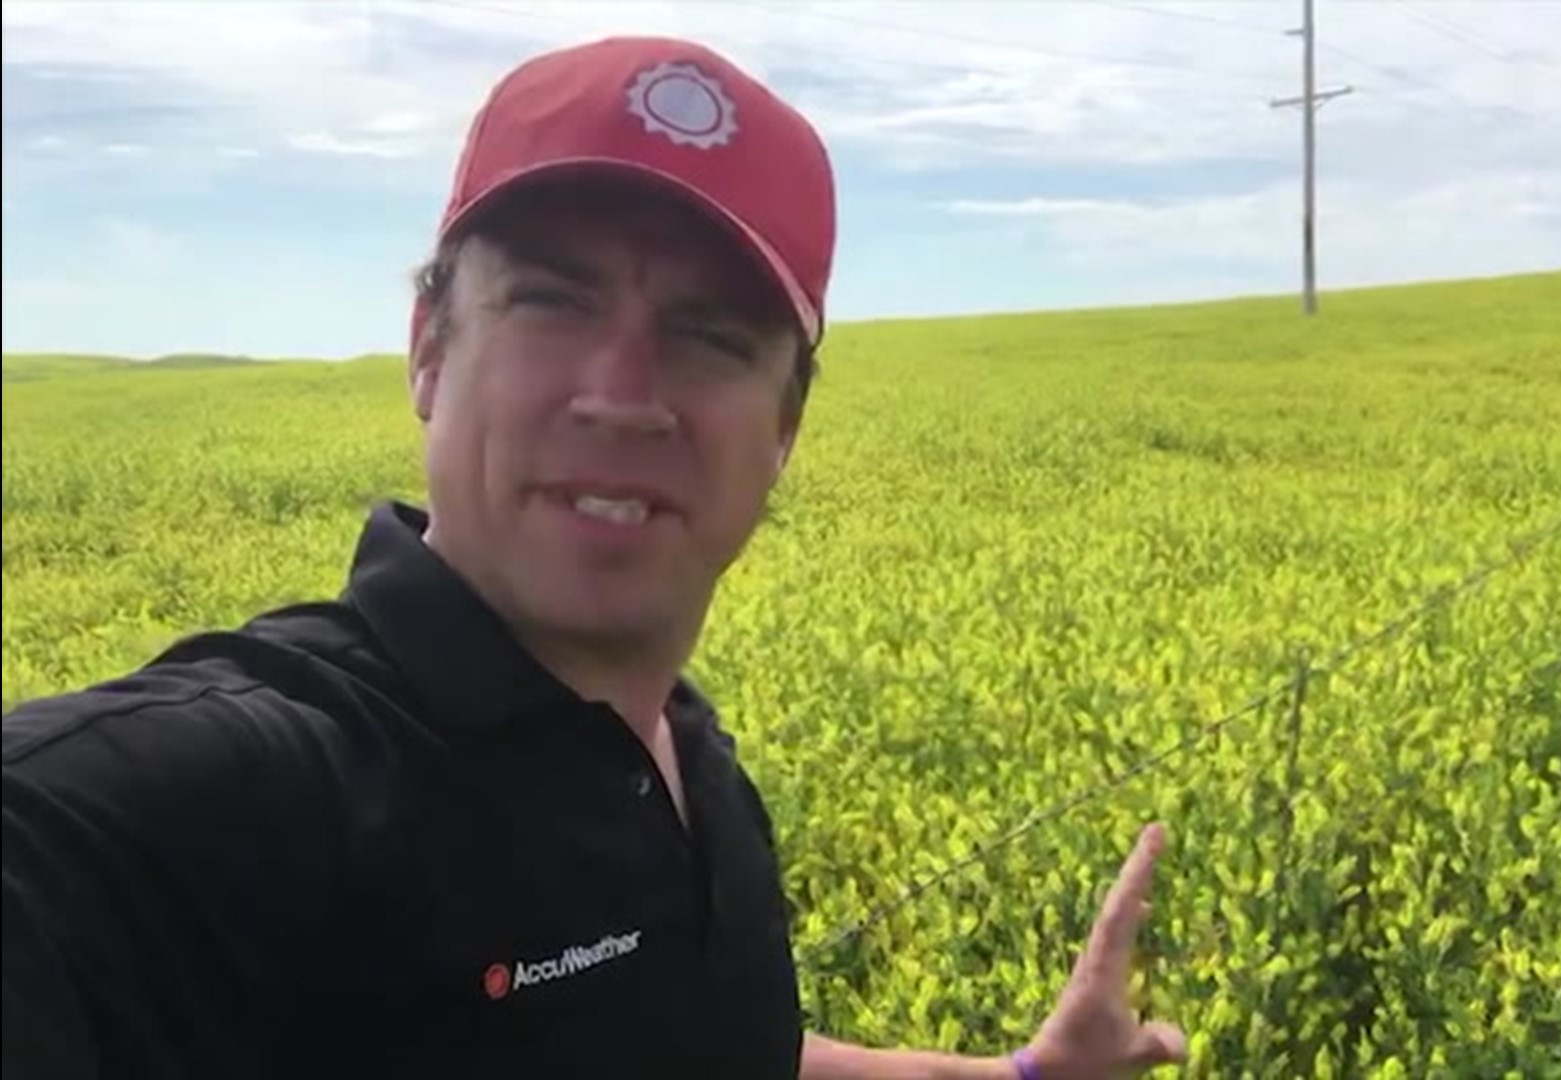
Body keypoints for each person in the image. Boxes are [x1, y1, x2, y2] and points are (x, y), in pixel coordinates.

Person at [0, 34, 1189, 1080]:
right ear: (426, 348)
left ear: (783, 429)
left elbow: (691, 1040)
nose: (623, 397)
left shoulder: (688, 761)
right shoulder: (246, 793)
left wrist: (1018, 1078)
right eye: (552, 302)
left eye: (708, 335)